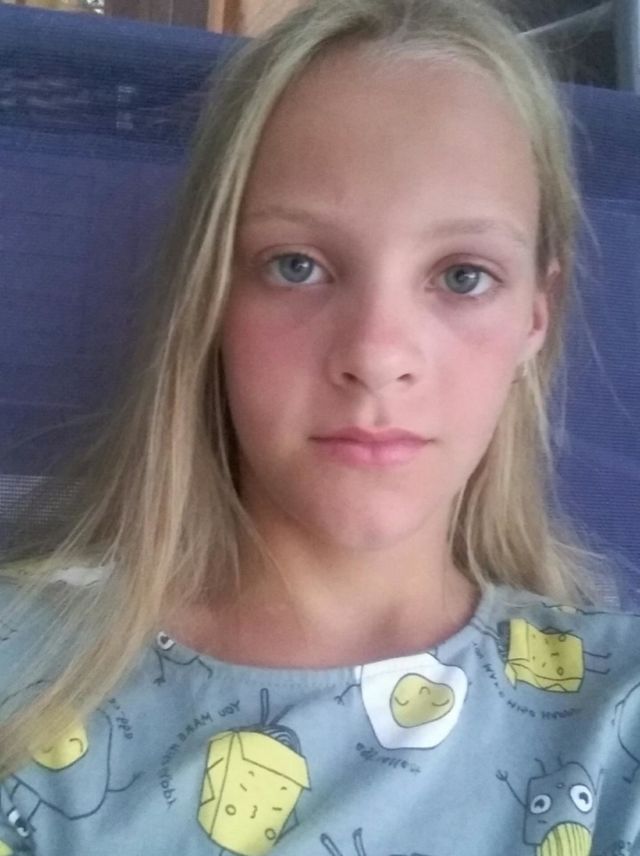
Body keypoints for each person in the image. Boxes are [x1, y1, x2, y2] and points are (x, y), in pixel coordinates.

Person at [1, 0, 639, 852]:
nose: (375, 355)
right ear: (211, 296)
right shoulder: (22, 673)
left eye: (462, 276)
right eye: (297, 265)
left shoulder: (616, 725)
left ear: (536, 314)